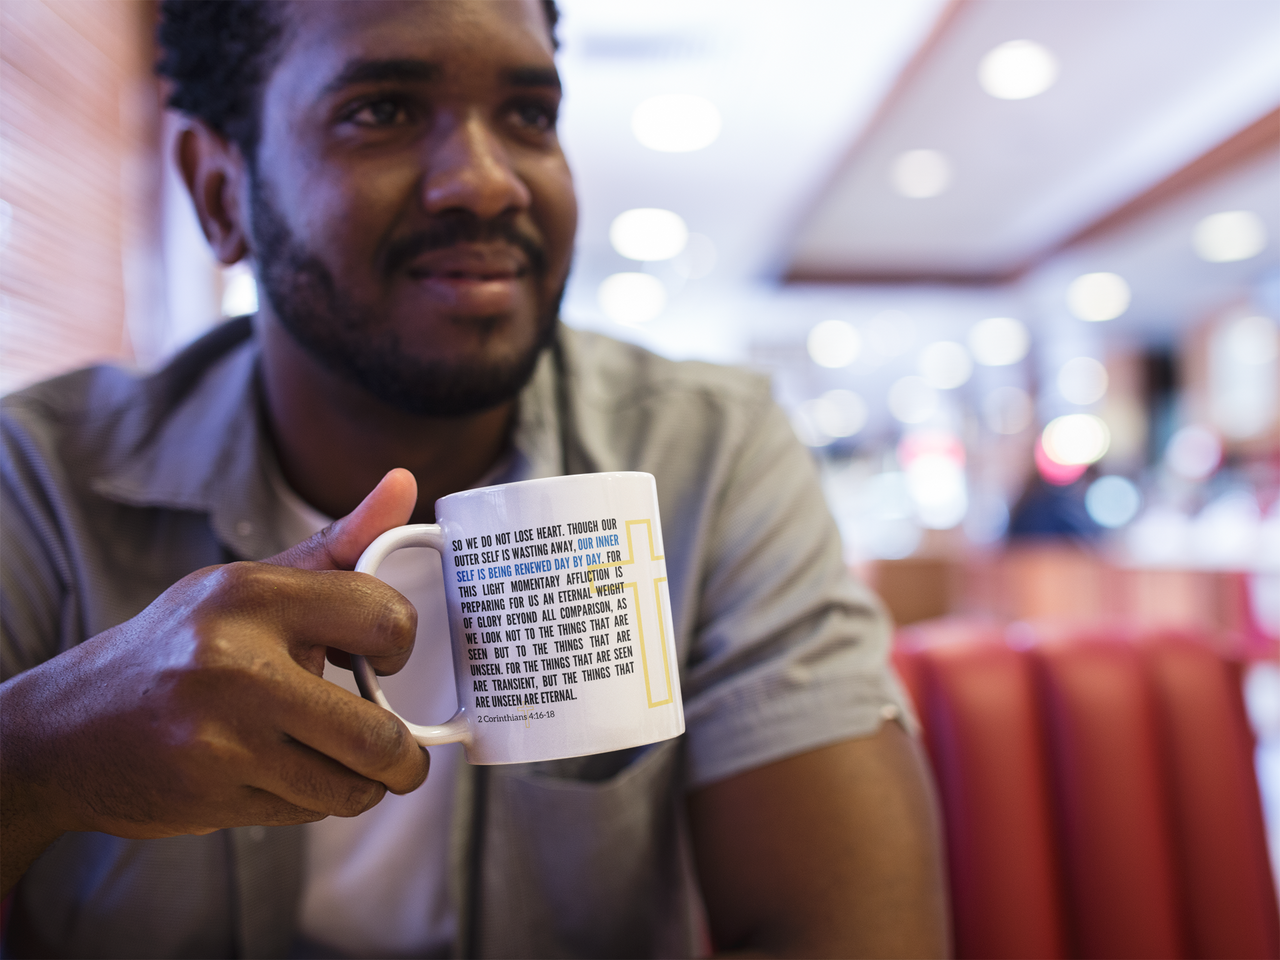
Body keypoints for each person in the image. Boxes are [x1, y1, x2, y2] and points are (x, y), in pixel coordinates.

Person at [0, 1, 948, 956]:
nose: (487, 183)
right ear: (218, 191)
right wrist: (35, 765)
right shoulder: (38, 482)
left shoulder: (704, 456)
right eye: (381, 110)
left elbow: (853, 933)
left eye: (530, 116)